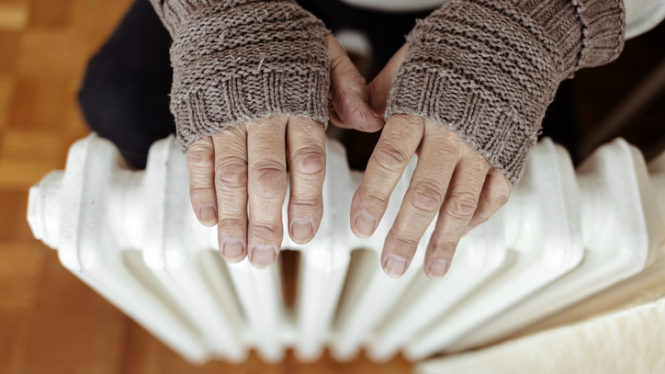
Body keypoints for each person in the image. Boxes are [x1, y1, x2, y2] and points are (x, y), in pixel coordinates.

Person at [78, 0, 665, 278]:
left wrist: (545, 19)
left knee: (537, 172)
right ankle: (222, 249)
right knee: (118, 102)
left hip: (500, 15)